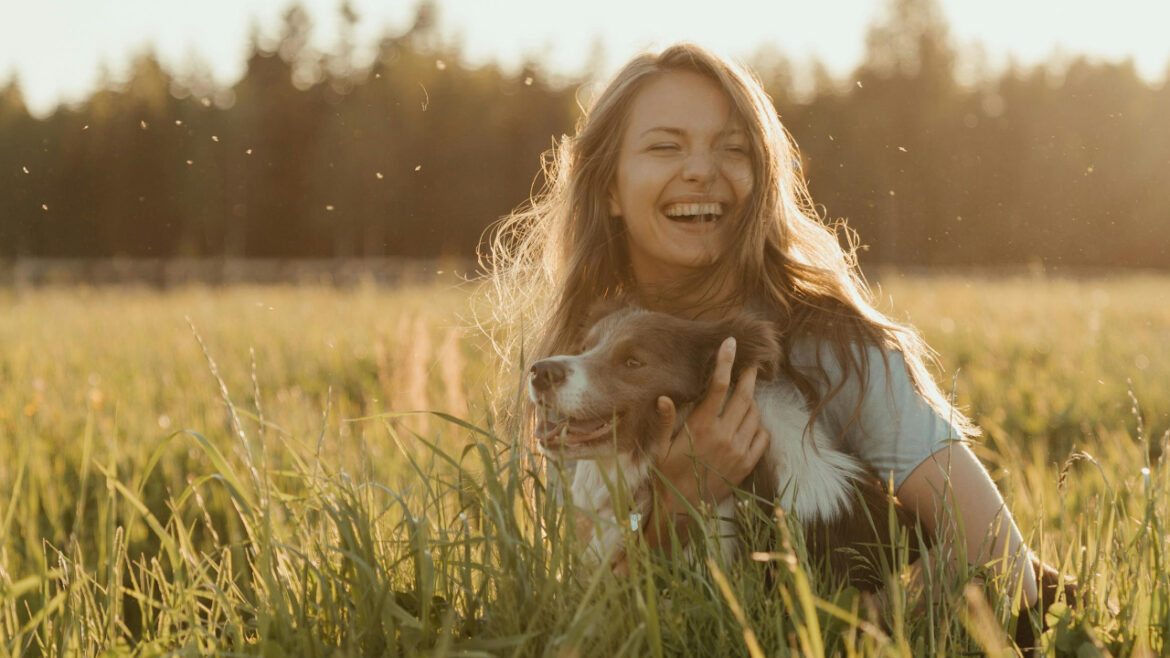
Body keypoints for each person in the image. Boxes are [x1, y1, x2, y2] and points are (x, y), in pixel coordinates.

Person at [483, 42, 1056, 622]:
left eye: (733, 149)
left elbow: (1004, 561)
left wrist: (841, 631)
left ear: (763, 179)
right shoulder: (575, 366)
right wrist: (678, 497)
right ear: (607, 186)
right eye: (665, 146)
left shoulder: (838, 349)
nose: (701, 170)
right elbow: (592, 610)